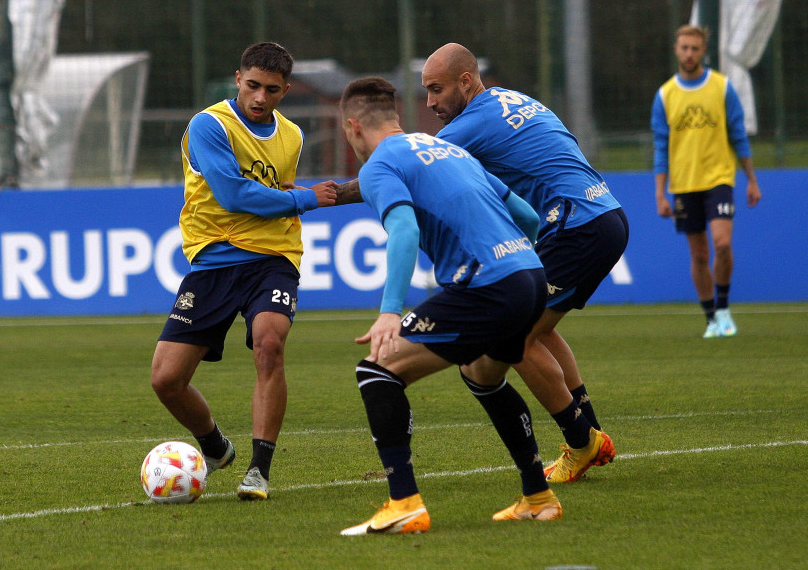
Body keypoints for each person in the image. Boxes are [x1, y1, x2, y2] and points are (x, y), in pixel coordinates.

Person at [338, 76, 562, 536]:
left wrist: (389, 312)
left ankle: (404, 502)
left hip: (488, 285)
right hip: (530, 276)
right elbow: (527, 216)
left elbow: (403, 231)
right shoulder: (449, 150)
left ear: (353, 127)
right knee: (483, 374)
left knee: (376, 369)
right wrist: (521, 265)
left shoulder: (380, 165)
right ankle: (538, 498)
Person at [420, 43, 628, 484]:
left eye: (436, 90)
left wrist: (327, 195)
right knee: (540, 329)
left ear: (465, 81)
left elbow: (412, 167)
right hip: (605, 213)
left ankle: (580, 442)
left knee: (513, 335)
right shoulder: (510, 99)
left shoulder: (471, 123)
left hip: (577, 224)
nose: (431, 103)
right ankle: (590, 434)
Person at [150, 42, 337, 501]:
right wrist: (306, 198)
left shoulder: (291, 135)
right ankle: (215, 448)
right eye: (252, 85)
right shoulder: (209, 125)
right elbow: (234, 195)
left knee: (269, 346)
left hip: (274, 258)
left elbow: (276, 190)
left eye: (271, 90)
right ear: (238, 79)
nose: (259, 97)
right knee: (166, 379)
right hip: (213, 260)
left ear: (285, 91)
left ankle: (259, 470)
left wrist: (296, 197)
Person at [651, 25, 761, 338]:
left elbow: (738, 135)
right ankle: (711, 317)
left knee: (722, 243)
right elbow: (661, 146)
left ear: (703, 51)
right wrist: (660, 193)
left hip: (719, 178)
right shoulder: (665, 95)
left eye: (695, 49)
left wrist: (751, 180)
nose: (689, 54)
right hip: (684, 184)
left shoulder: (721, 88)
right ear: (676, 49)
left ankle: (724, 307)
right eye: (684, 47)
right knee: (699, 254)